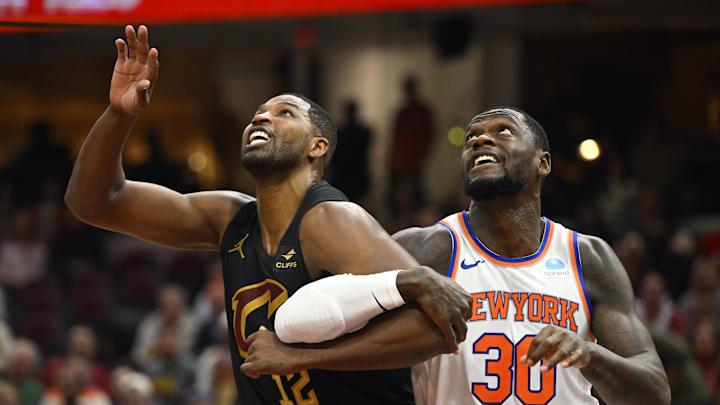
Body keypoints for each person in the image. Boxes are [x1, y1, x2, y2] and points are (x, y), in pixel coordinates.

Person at [65, 25, 471, 404]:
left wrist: (305, 358)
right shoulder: (229, 217)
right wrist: (120, 115)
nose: (261, 117)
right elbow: (94, 202)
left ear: (318, 147)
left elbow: (434, 331)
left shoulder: (332, 221)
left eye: (285, 113)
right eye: (259, 112)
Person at [241, 107, 671, 405]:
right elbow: (301, 319)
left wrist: (588, 353)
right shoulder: (427, 248)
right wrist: (303, 357)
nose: (480, 138)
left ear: (543, 163)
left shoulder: (588, 256)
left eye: (503, 131)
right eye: (471, 138)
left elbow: (653, 392)